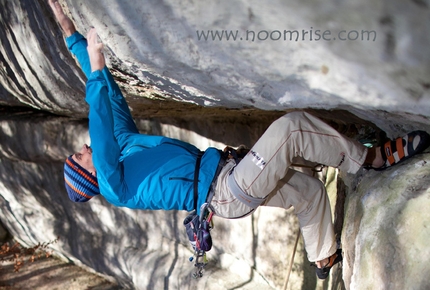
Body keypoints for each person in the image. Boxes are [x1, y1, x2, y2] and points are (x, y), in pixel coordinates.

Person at [49, 0, 430, 280]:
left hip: (229, 176)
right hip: (225, 191)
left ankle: (323, 257)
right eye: (79, 158)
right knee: (292, 128)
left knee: (309, 192)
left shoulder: (124, 147)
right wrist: (99, 67)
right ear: (91, 177)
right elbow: (98, 125)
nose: (83, 149)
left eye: (81, 152)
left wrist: (71, 34)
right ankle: (371, 160)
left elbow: (110, 100)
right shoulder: (115, 185)